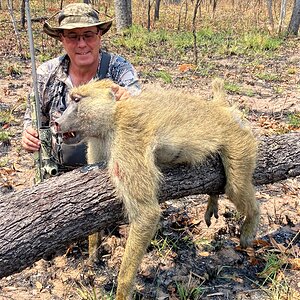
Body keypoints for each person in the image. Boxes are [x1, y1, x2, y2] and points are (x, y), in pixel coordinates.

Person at [22, 2, 141, 168]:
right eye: (72, 36)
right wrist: (28, 135)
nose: (82, 44)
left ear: (99, 35)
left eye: (88, 35)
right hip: (57, 173)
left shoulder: (119, 69)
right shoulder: (46, 73)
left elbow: (139, 111)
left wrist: (127, 100)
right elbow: (33, 120)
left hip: (107, 170)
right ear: (61, 38)